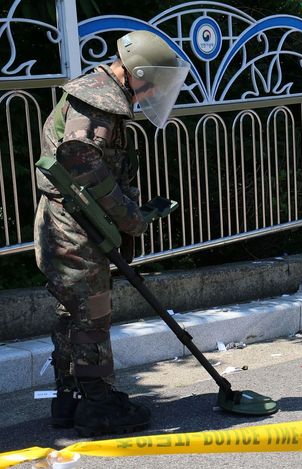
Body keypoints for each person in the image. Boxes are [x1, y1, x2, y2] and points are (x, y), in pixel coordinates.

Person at [34, 30, 189, 436]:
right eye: (150, 81)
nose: (152, 91)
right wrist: (130, 219)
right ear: (134, 72)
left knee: (74, 314)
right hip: (74, 227)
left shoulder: (102, 95)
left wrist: (127, 216)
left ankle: (68, 400)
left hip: (71, 222)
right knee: (92, 316)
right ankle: (98, 406)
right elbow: (79, 158)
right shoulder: (98, 102)